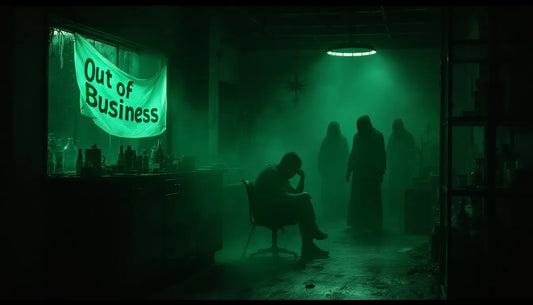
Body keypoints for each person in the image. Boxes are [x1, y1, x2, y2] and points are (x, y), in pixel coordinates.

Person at [254, 152, 329, 260]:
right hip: (265, 213)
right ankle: (310, 242)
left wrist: (302, 178)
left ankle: (310, 242)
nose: (294, 174)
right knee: (304, 203)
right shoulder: (273, 174)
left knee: (303, 203)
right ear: (288, 166)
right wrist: (303, 196)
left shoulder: (280, 172)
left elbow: (295, 193)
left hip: (272, 208)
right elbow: (285, 196)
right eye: (294, 171)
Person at [346, 115, 386, 234]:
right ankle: (358, 222)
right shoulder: (357, 137)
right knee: (359, 199)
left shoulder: (377, 136)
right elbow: (353, 154)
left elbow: (381, 156)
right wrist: (349, 170)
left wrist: (381, 172)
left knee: (371, 200)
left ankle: (373, 223)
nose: (359, 128)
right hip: (359, 173)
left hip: (372, 174)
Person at [386, 118, 417, 232]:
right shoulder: (392, 136)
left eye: (396, 127)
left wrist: (411, 167)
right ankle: (399, 219)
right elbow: (388, 151)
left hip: (404, 171)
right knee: (397, 196)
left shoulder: (408, 136)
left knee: (404, 196)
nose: (395, 129)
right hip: (395, 172)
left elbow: (412, 154)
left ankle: (404, 219)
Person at [318, 121, 350, 223]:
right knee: (328, 194)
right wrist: (323, 170)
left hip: (339, 172)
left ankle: (339, 213)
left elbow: (346, 156)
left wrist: (344, 169)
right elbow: (321, 158)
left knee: (340, 193)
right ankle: (329, 214)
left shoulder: (343, 140)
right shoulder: (326, 141)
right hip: (328, 172)